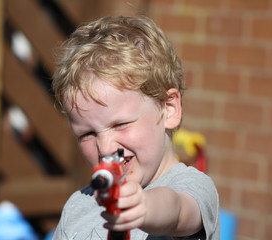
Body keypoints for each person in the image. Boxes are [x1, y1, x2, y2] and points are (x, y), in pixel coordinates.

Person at [51, 15, 220, 240]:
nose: (105, 147)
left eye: (120, 124)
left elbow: (177, 210)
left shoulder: (193, 187)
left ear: (169, 109)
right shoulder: (77, 206)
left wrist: (145, 206)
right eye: (88, 134)